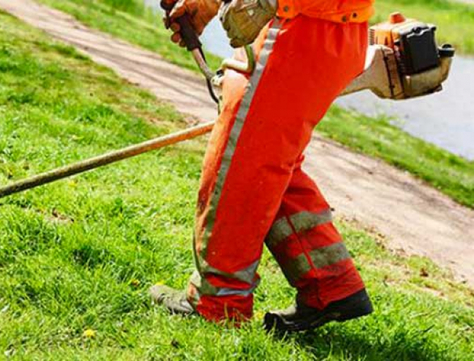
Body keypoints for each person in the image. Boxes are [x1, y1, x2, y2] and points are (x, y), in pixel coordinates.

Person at [150, 0, 376, 332]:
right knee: (267, 158)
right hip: (328, 28)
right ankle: (330, 283)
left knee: (240, 164)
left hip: (297, 29)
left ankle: (218, 303)